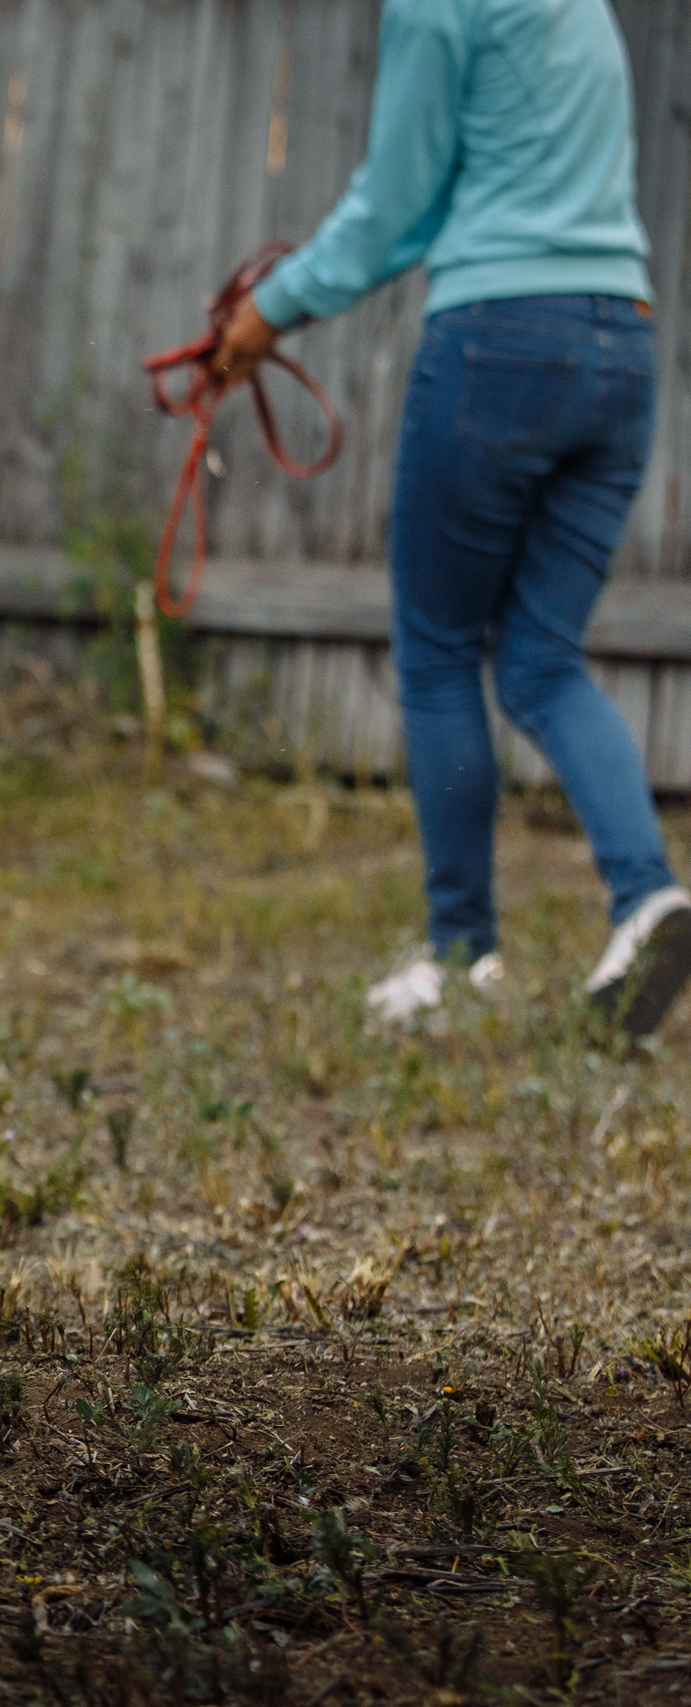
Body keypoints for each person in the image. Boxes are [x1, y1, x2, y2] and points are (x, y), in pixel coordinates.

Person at [215, 0, 686, 1037]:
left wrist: (273, 306)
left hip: (499, 339)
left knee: (434, 653)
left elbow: (394, 203)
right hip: (622, 344)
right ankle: (645, 895)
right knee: (540, 661)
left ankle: (460, 953)